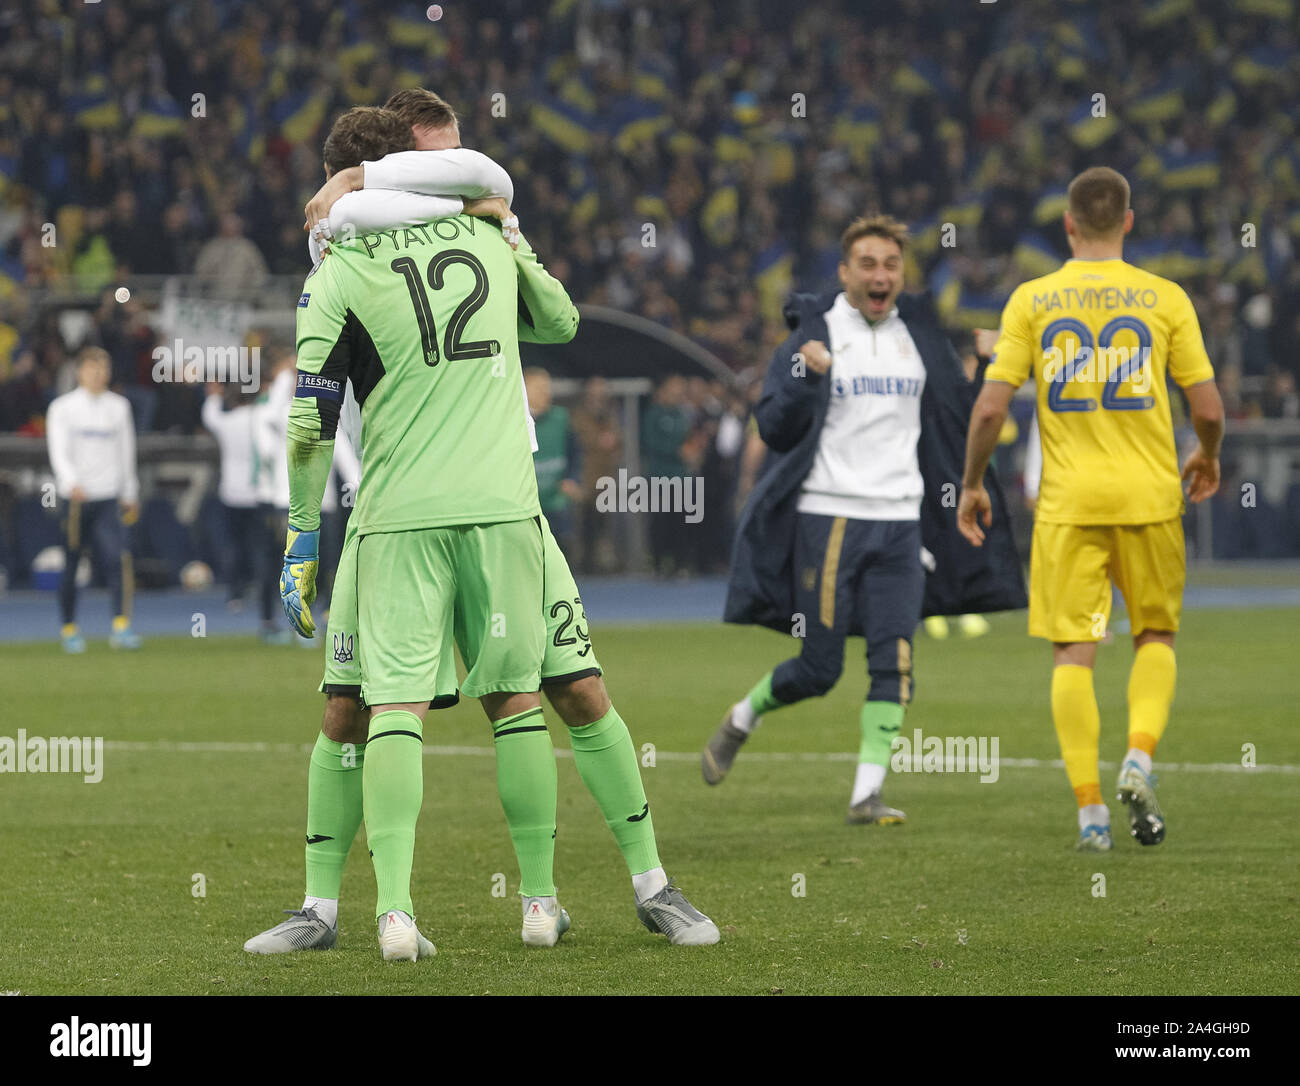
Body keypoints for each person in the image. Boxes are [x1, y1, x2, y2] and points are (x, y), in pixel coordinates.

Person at [710, 214, 1025, 823]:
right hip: (829, 518)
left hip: (903, 523)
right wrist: (807, 374)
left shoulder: (922, 339)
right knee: (820, 668)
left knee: (895, 658)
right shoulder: (816, 335)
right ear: (845, 273)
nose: (881, 275)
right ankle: (742, 718)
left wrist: (987, 368)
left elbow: (958, 417)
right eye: (869, 265)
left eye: (891, 265)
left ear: (900, 275)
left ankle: (866, 795)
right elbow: (772, 425)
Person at [957, 166, 1224, 852]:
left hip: (1069, 504)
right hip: (1150, 497)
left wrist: (974, 481)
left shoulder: (1033, 300)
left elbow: (989, 408)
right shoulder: (1165, 298)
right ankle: (1138, 757)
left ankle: (1091, 816)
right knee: (1154, 638)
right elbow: (1208, 408)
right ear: (1128, 222)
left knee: (1074, 654)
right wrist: (1208, 454)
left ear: (1068, 225)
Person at [45, 346, 142, 651]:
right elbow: (58, 450)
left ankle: (120, 626)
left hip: (108, 497)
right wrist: (70, 482)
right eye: (92, 368)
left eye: (103, 368)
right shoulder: (63, 408)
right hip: (76, 499)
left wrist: (130, 491)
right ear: (80, 372)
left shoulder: (119, 407)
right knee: (72, 563)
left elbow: (127, 451)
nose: (98, 374)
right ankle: (69, 628)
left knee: (118, 560)